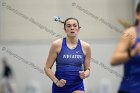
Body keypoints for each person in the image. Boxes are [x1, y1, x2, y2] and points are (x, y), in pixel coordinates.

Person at [44, 17, 91, 93]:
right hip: (60, 87)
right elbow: (47, 68)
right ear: (65, 29)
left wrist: (85, 74)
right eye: (69, 26)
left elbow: (88, 69)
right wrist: (56, 82)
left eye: (75, 26)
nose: (72, 28)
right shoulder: (57, 44)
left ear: (78, 29)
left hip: (77, 86)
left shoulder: (86, 46)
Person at [111, 2, 140, 93]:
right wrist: (133, 52)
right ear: (138, 14)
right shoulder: (130, 33)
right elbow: (114, 60)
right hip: (130, 89)